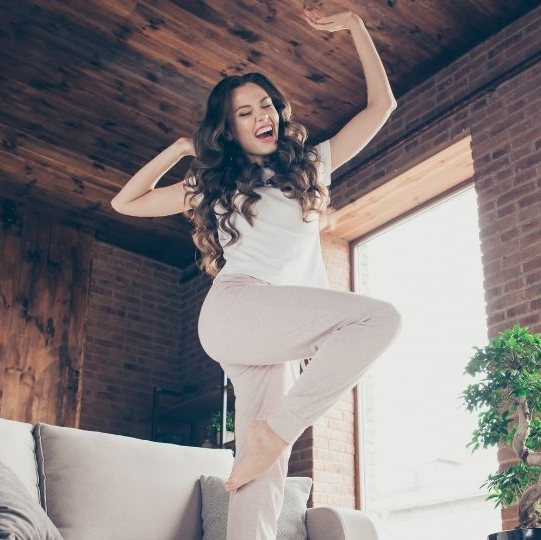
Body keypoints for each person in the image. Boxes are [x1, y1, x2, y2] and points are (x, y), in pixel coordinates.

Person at [111, 7, 400, 539]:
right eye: (243, 112)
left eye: (265, 104)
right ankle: (276, 433)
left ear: (279, 112)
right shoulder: (212, 185)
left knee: (262, 479)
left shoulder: (313, 163)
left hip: (271, 334)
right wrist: (178, 150)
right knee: (378, 320)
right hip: (238, 310)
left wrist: (356, 25)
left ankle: (267, 449)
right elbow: (127, 202)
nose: (260, 114)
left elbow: (382, 105)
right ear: (229, 129)